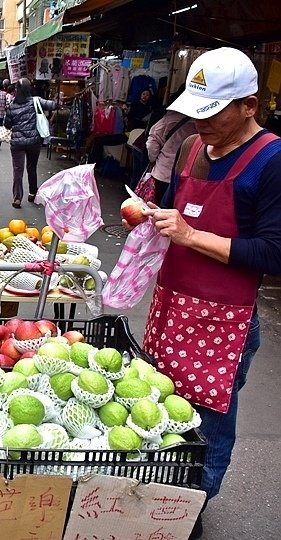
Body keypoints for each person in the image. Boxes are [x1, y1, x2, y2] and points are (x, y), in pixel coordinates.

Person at [138, 47, 281, 540]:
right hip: (173, 304)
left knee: (211, 425)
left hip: (225, 321)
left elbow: (273, 253)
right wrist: (149, 216)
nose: (202, 124)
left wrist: (191, 235)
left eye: (214, 113)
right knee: (164, 408)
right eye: (195, 112)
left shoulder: (272, 160)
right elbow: (178, 213)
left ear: (249, 106)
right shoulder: (194, 150)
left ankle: (191, 508)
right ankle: (165, 493)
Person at [2, 78, 56, 208]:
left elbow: (7, 125)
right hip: (34, 142)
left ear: (17, 90)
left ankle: (17, 198)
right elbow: (53, 105)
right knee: (32, 168)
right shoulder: (36, 101)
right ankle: (33, 193)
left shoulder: (11, 106)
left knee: (17, 170)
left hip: (17, 143)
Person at [144, 85, 197, 204]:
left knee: (156, 208)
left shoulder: (169, 119)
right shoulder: (201, 123)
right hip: (186, 174)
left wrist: (153, 159)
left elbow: (152, 143)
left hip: (163, 171)